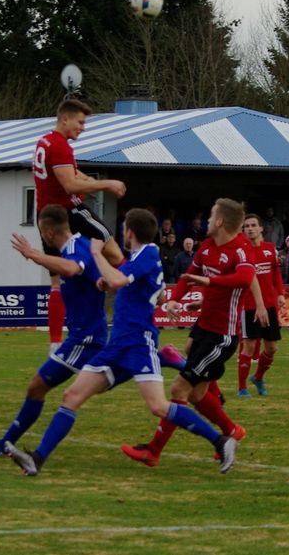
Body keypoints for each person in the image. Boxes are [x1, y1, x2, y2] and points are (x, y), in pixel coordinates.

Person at [4, 208, 239, 476]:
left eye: (124, 228)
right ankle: (37, 458)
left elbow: (119, 278)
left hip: (139, 343)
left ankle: (222, 441)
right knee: (72, 396)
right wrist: (107, 281)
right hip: (117, 345)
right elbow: (120, 282)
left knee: (158, 406)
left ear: (129, 231)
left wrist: (97, 255)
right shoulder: (137, 257)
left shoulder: (148, 253)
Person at [120, 198, 261, 468]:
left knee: (179, 388)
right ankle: (231, 431)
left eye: (211, 216)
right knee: (196, 395)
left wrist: (210, 283)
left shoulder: (241, 249)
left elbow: (244, 279)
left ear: (220, 222)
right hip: (204, 327)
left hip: (222, 335)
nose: (207, 221)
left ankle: (153, 451)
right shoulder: (207, 246)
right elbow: (189, 275)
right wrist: (175, 299)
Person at [0, 204, 108, 456]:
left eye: (41, 234)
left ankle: (4, 445)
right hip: (84, 336)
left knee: (40, 387)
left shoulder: (76, 250)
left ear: (48, 233)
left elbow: (72, 268)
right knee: (40, 388)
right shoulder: (81, 244)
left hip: (85, 340)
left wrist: (33, 254)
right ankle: (5, 444)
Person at [33, 98, 127, 352]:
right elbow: (71, 185)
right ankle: (133, 316)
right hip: (69, 211)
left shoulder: (45, 141)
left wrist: (88, 180)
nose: (83, 128)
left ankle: (55, 344)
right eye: (80, 122)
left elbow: (74, 174)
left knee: (59, 280)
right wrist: (106, 184)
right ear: (65, 119)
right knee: (116, 254)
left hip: (46, 215)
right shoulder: (60, 146)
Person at [236, 213, 285, 398]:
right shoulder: (241, 251)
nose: (249, 228)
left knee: (272, 348)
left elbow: (276, 273)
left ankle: (258, 377)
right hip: (249, 306)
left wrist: (280, 293)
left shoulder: (270, 249)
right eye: (246, 226)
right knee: (248, 346)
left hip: (270, 305)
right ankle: (242, 387)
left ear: (261, 228)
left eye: (253, 225)